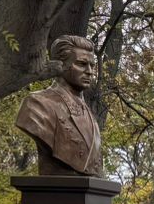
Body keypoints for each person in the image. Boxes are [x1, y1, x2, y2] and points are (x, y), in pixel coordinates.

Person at [14, 35, 105, 175]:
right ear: (60, 65)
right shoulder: (37, 105)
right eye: (81, 64)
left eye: (92, 65)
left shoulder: (89, 114)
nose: (90, 71)